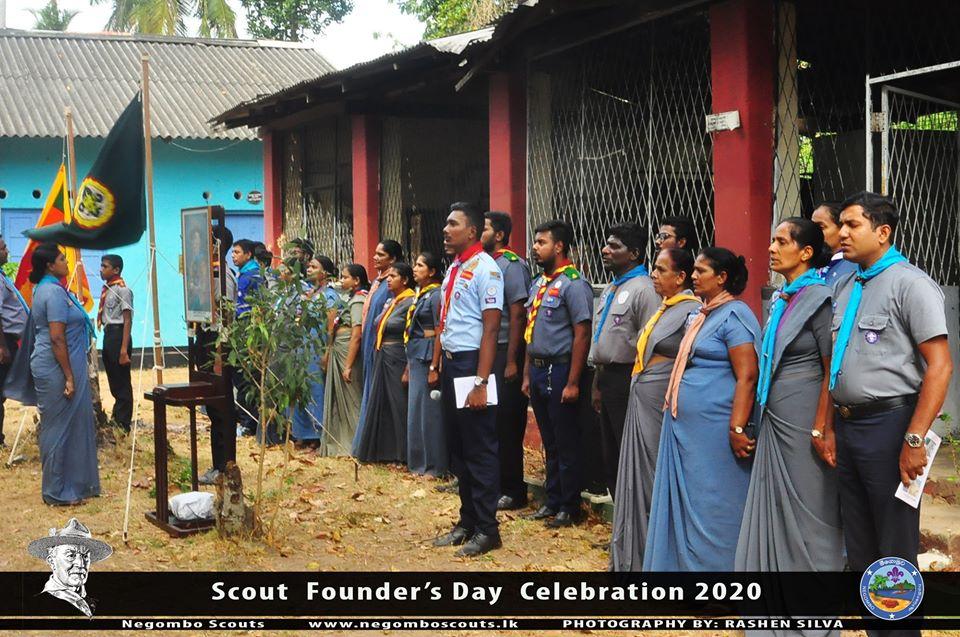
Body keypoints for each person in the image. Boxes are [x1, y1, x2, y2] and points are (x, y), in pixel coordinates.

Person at [827, 192, 951, 585]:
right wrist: (829, 426)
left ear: (883, 232)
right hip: (848, 426)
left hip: (890, 426)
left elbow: (940, 365)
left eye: (852, 225)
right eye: (841, 225)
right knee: (861, 543)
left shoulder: (910, 284)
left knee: (893, 542)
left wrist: (914, 439)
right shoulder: (848, 286)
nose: (842, 233)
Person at [735, 218, 844, 575]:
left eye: (781, 242)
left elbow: (832, 368)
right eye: (772, 240)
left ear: (806, 252)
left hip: (803, 423)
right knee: (777, 506)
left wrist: (819, 426)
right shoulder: (784, 299)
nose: (771, 248)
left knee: (809, 505)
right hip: (774, 419)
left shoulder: (819, 298)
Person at [643, 247, 760, 571]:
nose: (693, 277)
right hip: (688, 429)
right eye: (692, 271)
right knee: (690, 502)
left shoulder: (735, 314)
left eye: (700, 271)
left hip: (716, 429)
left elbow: (748, 375)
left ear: (722, 278)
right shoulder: (703, 314)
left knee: (715, 504)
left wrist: (737, 427)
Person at [610, 248, 700, 571]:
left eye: (662, 270)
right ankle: (633, 555)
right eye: (654, 269)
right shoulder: (662, 309)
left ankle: (658, 556)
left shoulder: (691, 311)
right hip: (641, 398)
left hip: (659, 403)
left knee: (652, 477)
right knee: (634, 477)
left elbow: (691, 357)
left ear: (681, 277)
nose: (654, 275)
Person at [432, 202, 504, 557]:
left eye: (453, 224)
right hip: (452, 364)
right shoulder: (455, 268)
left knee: (480, 449)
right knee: (459, 450)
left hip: (473, 367)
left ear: (472, 231)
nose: (445, 230)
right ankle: (467, 521)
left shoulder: (486, 269)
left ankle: (488, 530)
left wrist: (481, 381)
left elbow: (491, 330)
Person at [522, 219, 594, 528]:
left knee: (566, 441)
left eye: (541, 243)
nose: (535, 248)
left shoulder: (574, 284)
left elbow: (582, 334)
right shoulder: (539, 284)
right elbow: (530, 332)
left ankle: (569, 505)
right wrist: (526, 374)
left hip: (561, 369)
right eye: (536, 242)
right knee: (549, 440)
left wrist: (574, 381)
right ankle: (552, 500)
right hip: (538, 369)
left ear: (559, 246)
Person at [589, 223, 660, 499]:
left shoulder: (644, 290)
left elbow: (650, 342)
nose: (605, 250)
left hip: (628, 379)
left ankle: (636, 527)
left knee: (629, 453)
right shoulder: (611, 288)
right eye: (606, 244)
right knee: (611, 455)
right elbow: (602, 339)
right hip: (607, 377)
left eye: (614, 246)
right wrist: (597, 382)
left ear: (634, 253)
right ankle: (620, 526)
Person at [29, 244, 100, 505]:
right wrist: (69, 376)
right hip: (57, 365)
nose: (67, 262)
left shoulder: (50, 289)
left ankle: (73, 483)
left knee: (71, 423)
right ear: (50, 265)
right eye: (62, 259)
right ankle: (56, 491)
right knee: (57, 426)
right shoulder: (53, 293)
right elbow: (57, 338)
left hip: (61, 362)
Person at [481, 211, 532, 510]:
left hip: (504, 351)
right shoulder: (484, 264)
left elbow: (517, 314)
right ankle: (493, 482)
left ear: (499, 235)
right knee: (487, 421)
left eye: (485, 229)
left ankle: (513, 489)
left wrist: (512, 360)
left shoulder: (511, 266)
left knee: (507, 423)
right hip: (486, 350)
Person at [355, 263, 416, 463]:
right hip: (383, 354)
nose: (389, 280)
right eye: (388, 277)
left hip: (397, 355)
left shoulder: (409, 302)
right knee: (382, 402)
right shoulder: (392, 301)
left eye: (394, 276)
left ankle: (404, 454)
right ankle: (384, 451)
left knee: (398, 403)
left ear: (405, 280)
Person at [197, 224, 238, 485]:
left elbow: (227, 317)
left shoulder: (224, 277)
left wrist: (221, 354)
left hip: (219, 345)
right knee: (213, 408)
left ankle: (225, 466)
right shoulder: (206, 274)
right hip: (206, 341)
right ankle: (217, 464)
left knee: (223, 408)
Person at [353, 239, 403, 452]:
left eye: (380, 255)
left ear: (392, 259)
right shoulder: (377, 282)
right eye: (374, 253)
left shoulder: (393, 284)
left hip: (382, 344)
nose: (375, 258)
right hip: (369, 343)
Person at [403, 252, 447, 476]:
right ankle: (418, 463)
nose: (415, 268)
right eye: (415, 264)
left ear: (431, 271)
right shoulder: (421, 295)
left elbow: (440, 330)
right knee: (416, 412)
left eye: (420, 265)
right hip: (416, 355)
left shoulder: (437, 294)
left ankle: (434, 466)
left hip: (428, 356)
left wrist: (434, 366)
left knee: (429, 414)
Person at [291, 256, 340, 448]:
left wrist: (327, 351)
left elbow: (330, 327)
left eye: (314, 267)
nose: (308, 269)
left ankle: (317, 434)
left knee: (316, 390)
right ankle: (301, 432)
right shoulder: (308, 293)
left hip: (317, 348)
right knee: (301, 388)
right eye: (308, 266)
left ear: (325, 273)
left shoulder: (329, 297)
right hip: (302, 348)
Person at [322, 264, 368, 457]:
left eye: (346, 277)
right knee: (339, 400)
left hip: (346, 352)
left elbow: (356, 334)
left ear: (356, 280)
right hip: (338, 347)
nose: (342, 281)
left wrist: (348, 365)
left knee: (351, 397)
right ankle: (342, 442)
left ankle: (356, 444)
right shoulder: (346, 299)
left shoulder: (358, 301)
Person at [27, 518, 113, 617]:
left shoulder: (95, 600)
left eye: (85, 556)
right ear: (52, 562)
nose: (80, 563)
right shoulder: (41, 606)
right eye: (71, 556)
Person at [231, 239, 264, 441]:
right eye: (233, 252)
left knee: (246, 380)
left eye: (237, 252)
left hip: (249, 333)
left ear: (249, 254)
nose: (234, 255)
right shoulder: (243, 274)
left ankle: (248, 423)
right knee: (239, 378)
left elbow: (258, 308)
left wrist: (253, 340)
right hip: (240, 332)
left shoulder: (254, 276)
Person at [97, 254, 133, 432]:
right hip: (109, 335)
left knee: (122, 381)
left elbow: (127, 320)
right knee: (113, 378)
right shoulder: (108, 288)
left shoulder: (122, 290)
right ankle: (117, 417)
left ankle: (123, 423)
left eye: (105, 266)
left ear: (116, 270)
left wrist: (124, 349)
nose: (101, 269)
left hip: (119, 335)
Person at [0, 236, 28, 446]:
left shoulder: (3, 277)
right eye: (3, 247)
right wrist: (2, 346)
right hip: (5, 342)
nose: (7, 250)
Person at [811, 201, 857, 286]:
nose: (814, 233)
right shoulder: (813, 265)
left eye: (820, 227)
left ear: (842, 228)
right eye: (812, 228)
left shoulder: (853, 267)